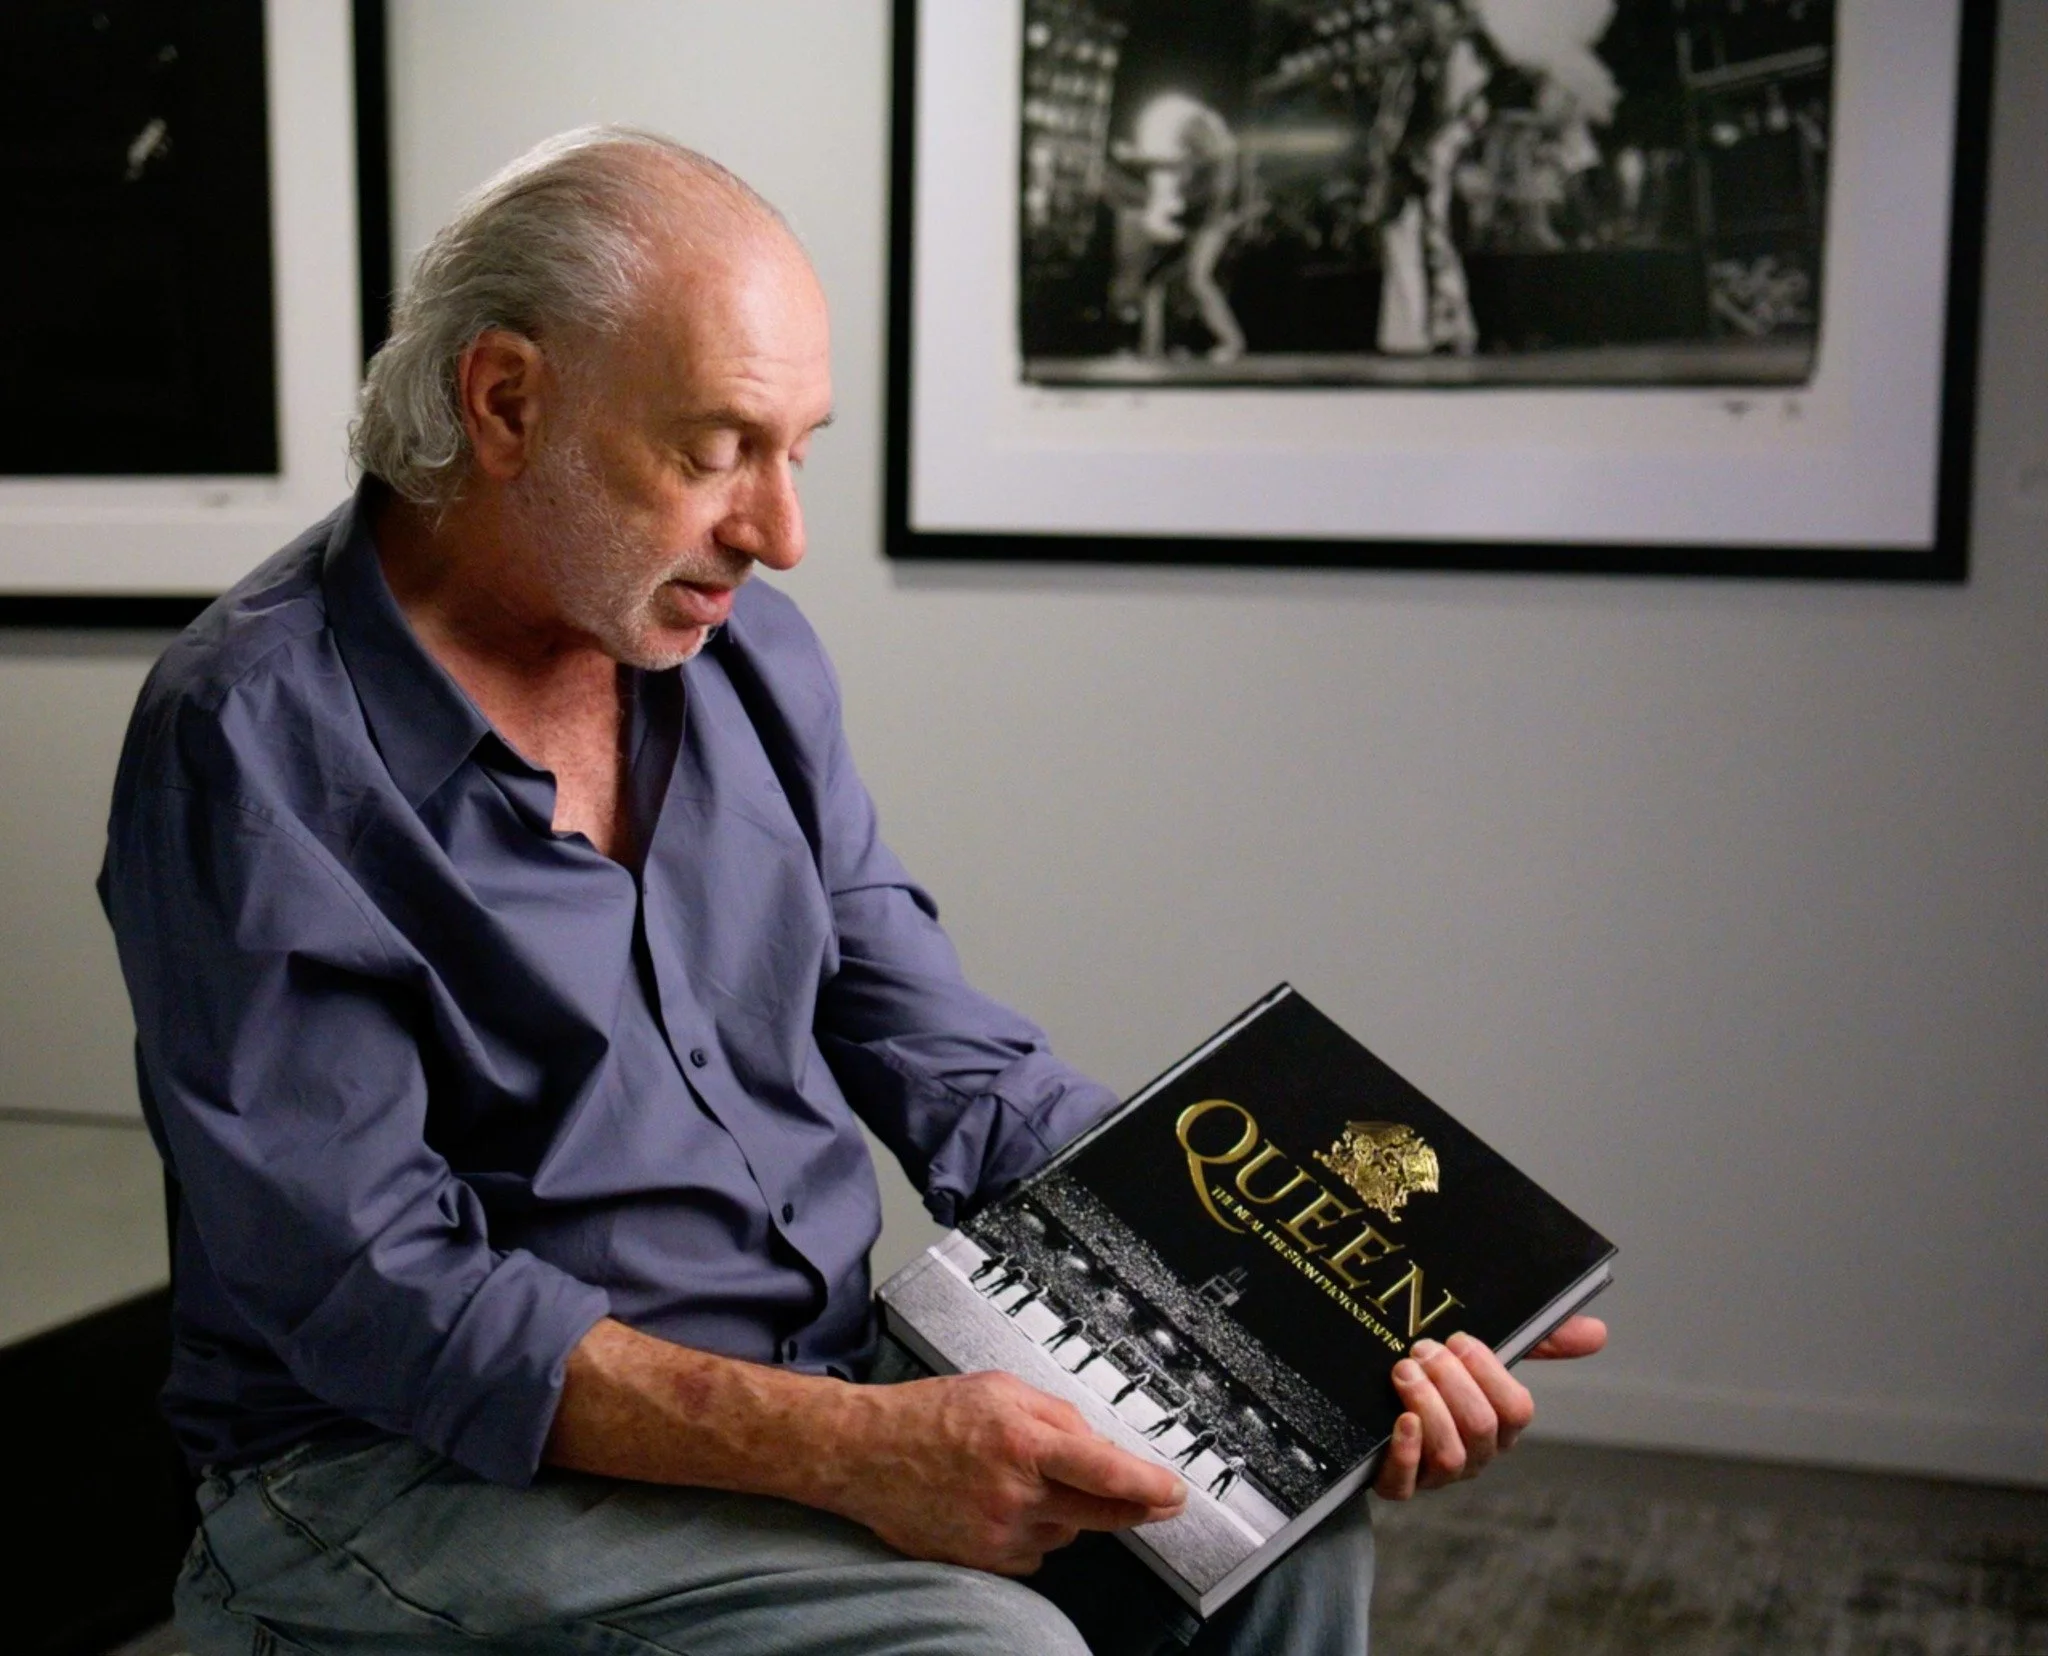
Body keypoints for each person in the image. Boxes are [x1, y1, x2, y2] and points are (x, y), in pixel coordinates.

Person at [99, 127, 1604, 1656]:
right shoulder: (249, 738)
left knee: (1269, 1522)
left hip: (810, 1378)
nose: (781, 535)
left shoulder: (740, 656)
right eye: (715, 451)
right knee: (995, 1651)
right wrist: (851, 1451)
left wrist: (1319, 1313)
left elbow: (940, 1052)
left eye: (797, 452)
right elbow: (371, 1289)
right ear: (505, 402)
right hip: (397, 1472)